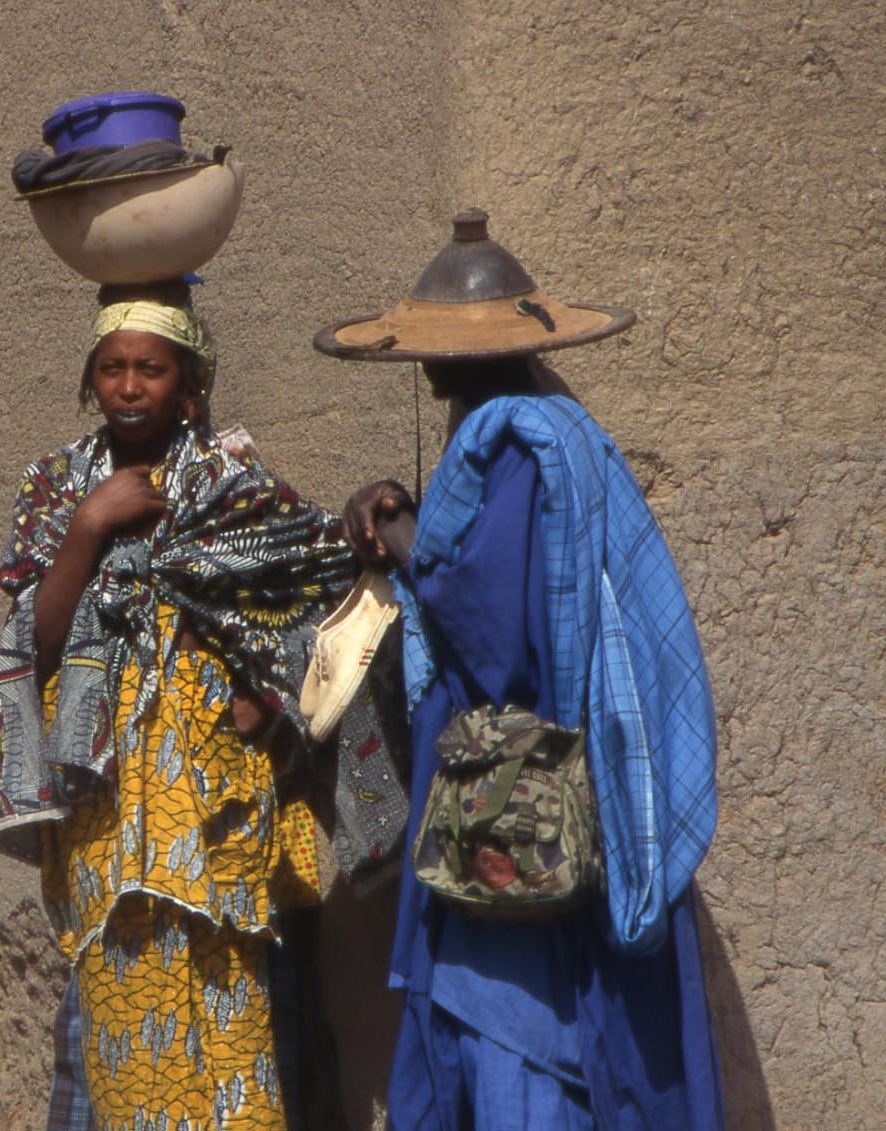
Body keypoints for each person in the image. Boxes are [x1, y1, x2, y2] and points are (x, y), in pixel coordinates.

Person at [319, 210, 723, 1129]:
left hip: (526, 827)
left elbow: (494, 632)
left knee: (522, 1069)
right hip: (556, 804)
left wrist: (399, 534)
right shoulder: (564, 435)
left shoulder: (512, 448)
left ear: (439, 362)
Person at [0, 293, 404, 1131]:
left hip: (216, 800)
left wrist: (269, 703)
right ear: (89, 381)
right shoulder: (57, 483)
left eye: (151, 369)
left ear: (188, 388)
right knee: (122, 996)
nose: (129, 386)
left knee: (231, 1023)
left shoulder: (232, 488)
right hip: (107, 801)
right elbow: (40, 638)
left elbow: (323, 597)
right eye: (113, 368)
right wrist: (88, 528)